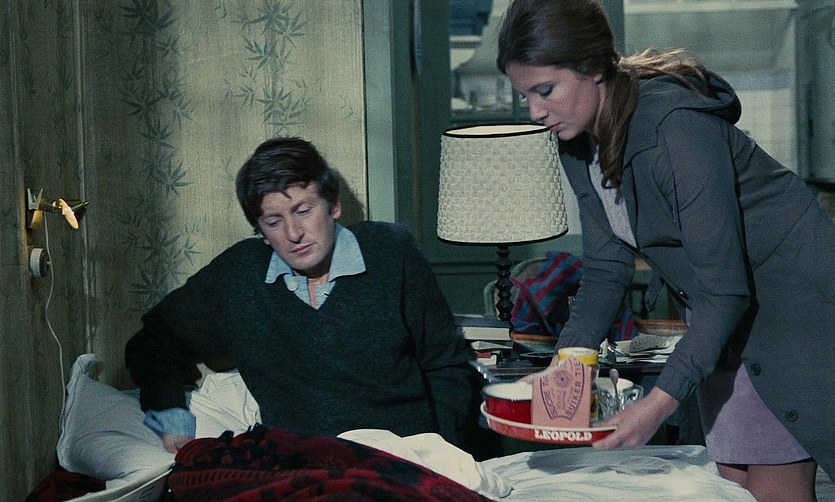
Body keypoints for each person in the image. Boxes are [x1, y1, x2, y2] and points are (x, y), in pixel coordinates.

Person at [496, 0, 834, 500]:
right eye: (524, 95)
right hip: (723, 314)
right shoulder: (576, 142)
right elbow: (606, 267)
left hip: (792, 306)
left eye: (545, 91)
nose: (535, 112)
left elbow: (725, 291)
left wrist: (656, 404)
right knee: (731, 484)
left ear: (593, 69)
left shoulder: (675, 128)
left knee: (774, 486)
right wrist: (569, 364)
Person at [125, 137, 475, 454]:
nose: (294, 233)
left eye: (303, 211)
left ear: (334, 206)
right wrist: (172, 416)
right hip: (300, 467)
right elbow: (154, 340)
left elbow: (447, 366)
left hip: (401, 459)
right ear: (262, 232)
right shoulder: (239, 274)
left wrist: (440, 453)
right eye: (274, 222)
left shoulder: (391, 253)